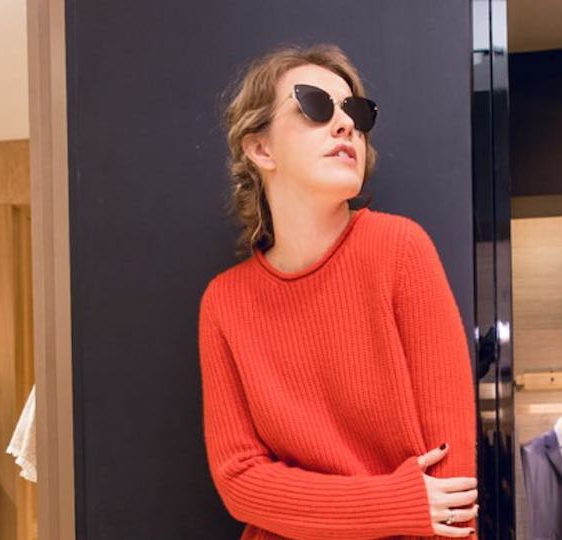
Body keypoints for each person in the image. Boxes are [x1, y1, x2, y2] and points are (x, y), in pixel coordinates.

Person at [198, 42, 478, 539]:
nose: (346, 124)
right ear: (260, 148)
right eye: (315, 106)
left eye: (356, 112)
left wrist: (308, 504)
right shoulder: (225, 302)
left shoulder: (400, 250)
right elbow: (240, 483)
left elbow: (452, 489)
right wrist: (393, 501)